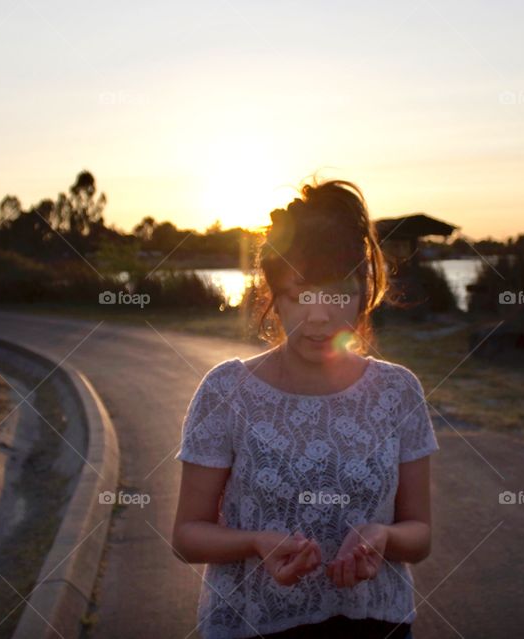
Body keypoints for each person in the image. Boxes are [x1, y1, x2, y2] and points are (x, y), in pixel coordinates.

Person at [172, 178, 439, 639]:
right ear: (273, 297)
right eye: (300, 295)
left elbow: (420, 535)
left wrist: (384, 537)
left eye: (337, 294)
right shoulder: (226, 391)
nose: (319, 316)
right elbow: (186, 536)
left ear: (363, 291)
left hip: (377, 625)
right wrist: (254, 543)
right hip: (254, 625)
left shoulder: (398, 391)